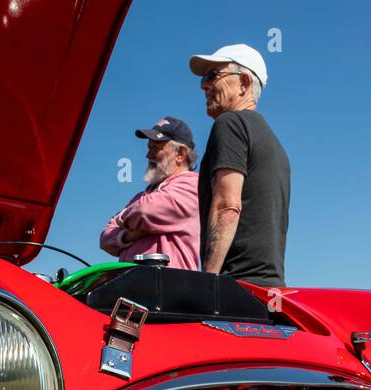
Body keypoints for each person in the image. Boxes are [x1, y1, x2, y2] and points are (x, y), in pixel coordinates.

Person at [189, 44, 290, 287]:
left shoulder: (230, 124)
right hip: (268, 291)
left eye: (213, 75)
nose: (204, 85)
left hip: (234, 288)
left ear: (244, 82)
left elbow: (227, 206)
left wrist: (208, 282)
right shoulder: (275, 144)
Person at [99, 117, 200, 270]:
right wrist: (129, 235)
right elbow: (105, 238)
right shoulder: (142, 196)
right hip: (131, 285)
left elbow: (146, 211)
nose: (148, 155)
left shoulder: (193, 184)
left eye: (156, 148)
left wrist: (121, 220)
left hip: (169, 287)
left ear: (180, 154)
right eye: (149, 147)